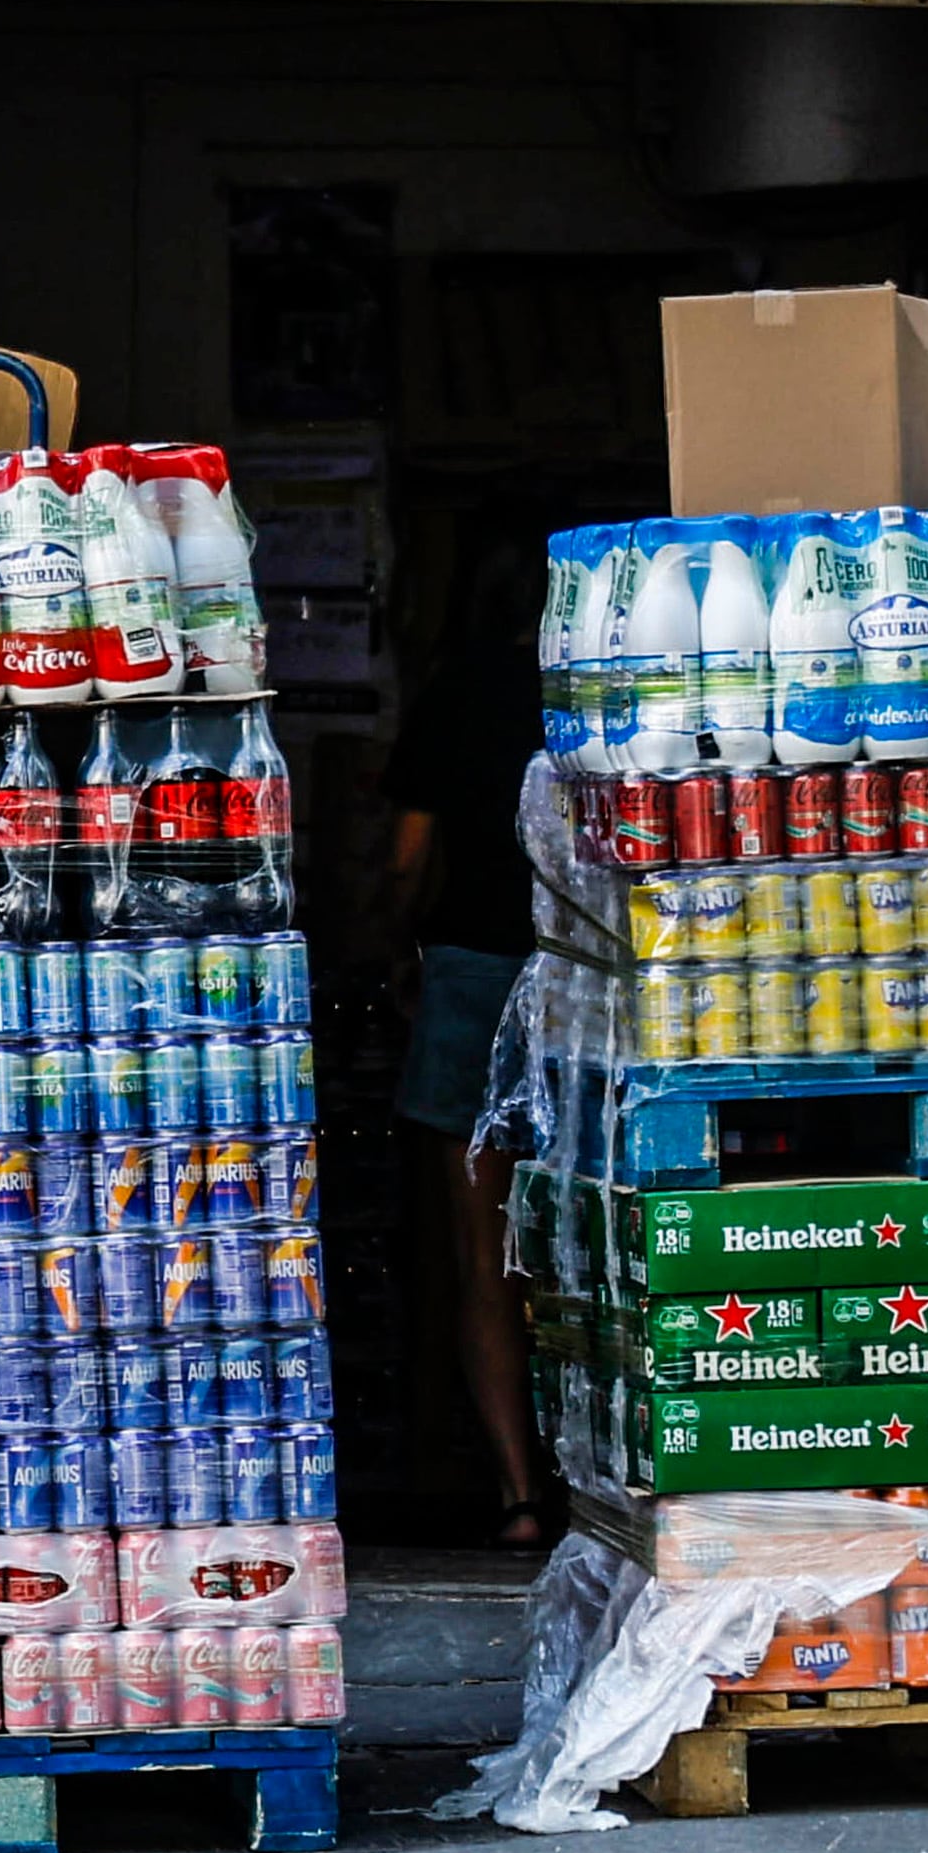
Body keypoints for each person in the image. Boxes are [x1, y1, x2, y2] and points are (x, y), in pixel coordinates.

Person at [384, 529, 552, 1544]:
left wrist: (383, 954)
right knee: (594, 1239)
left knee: (481, 1253)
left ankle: (518, 1496)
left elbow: (405, 857)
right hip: (589, 983)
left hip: (469, 981)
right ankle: (607, 1481)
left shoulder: (455, 690)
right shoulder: (604, 689)